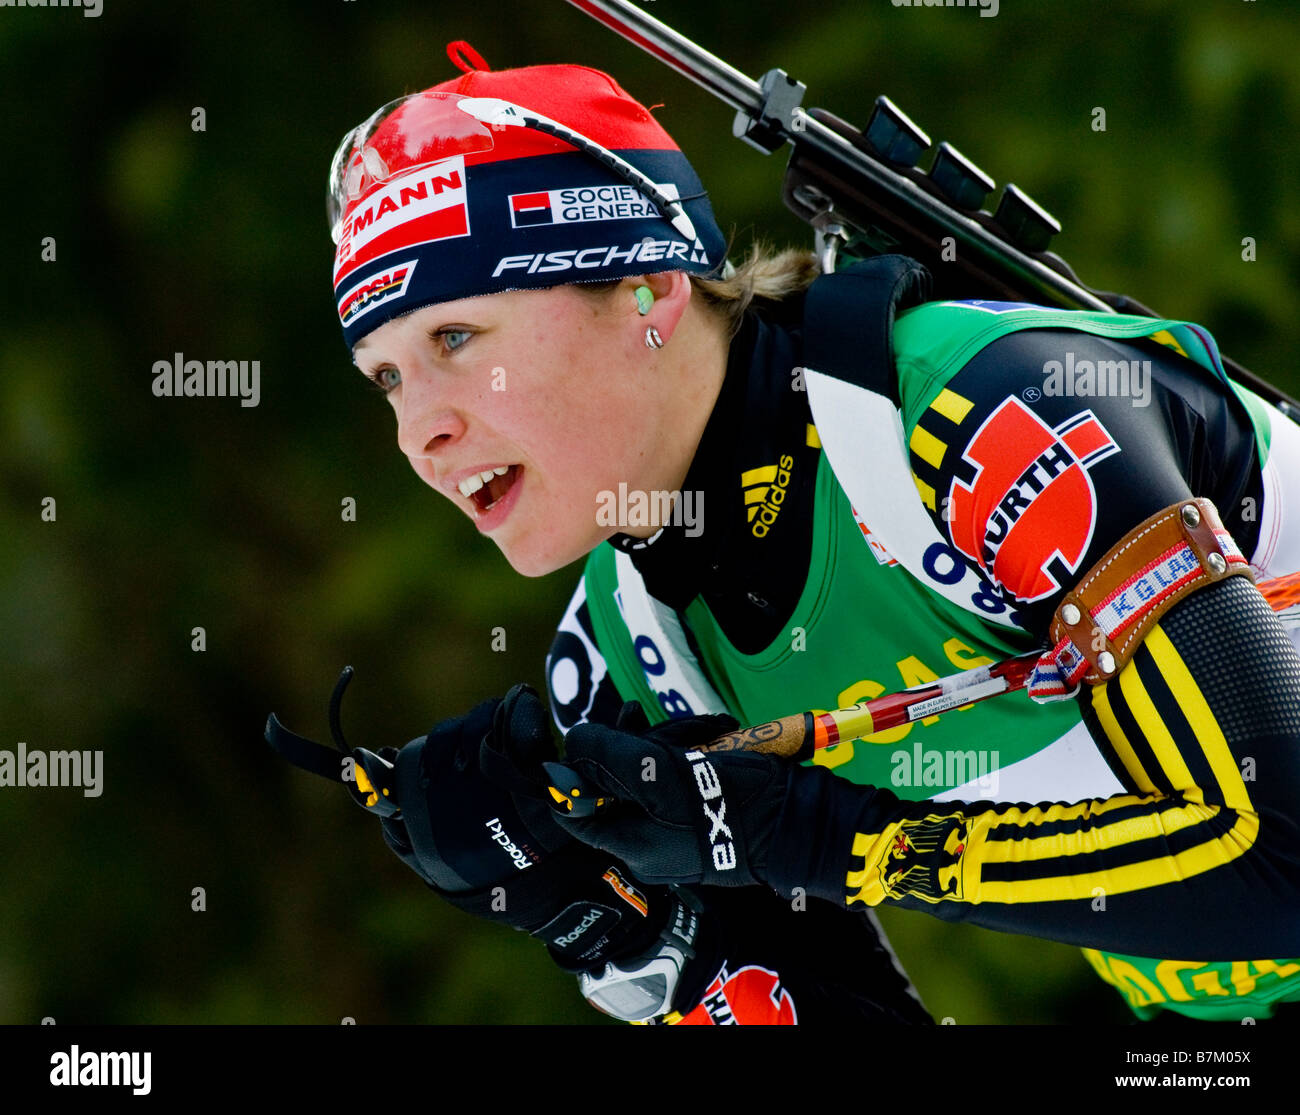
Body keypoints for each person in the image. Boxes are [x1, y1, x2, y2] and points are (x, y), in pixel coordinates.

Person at [319, 41, 1300, 1024]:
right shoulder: (631, 659)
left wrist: (827, 840)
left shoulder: (987, 421)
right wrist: (619, 932)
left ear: (647, 291)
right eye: (388, 378)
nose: (418, 431)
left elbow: (1284, 866)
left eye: (455, 339)